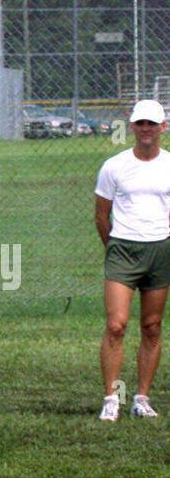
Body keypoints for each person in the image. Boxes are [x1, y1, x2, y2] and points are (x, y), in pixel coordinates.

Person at [93, 99, 170, 421]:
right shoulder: (115, 166)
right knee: (116, 324)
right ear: (132, 127)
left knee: (152, 327)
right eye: (141, 123)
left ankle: (141, 398)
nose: (146, 129)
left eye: (152, 123)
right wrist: (115, 246)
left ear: (163, 127)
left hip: (160, 250)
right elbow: (101, 215)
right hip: (123, 250)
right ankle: (112, 398)